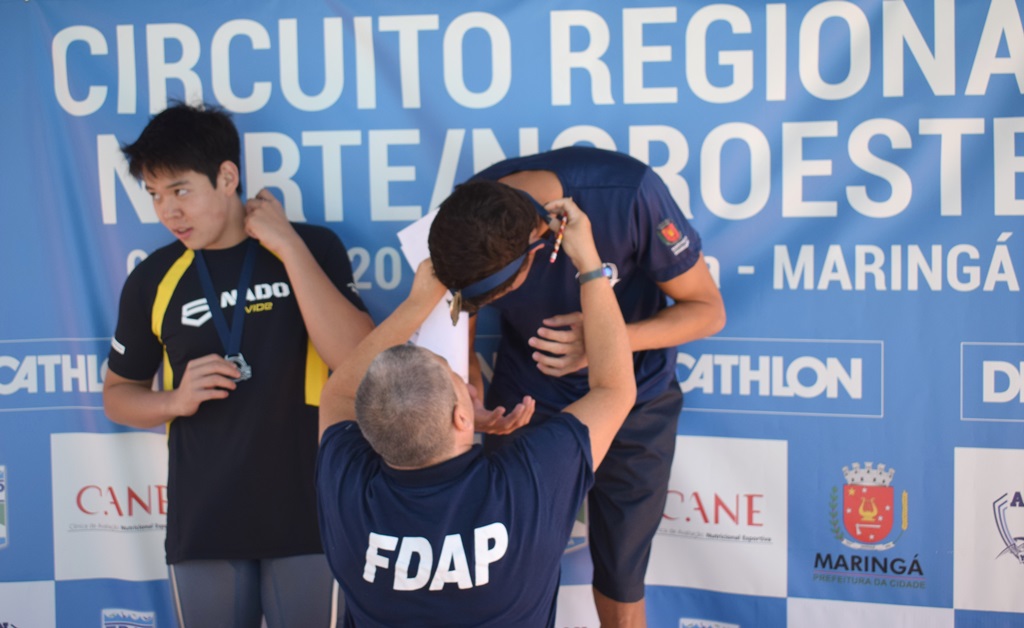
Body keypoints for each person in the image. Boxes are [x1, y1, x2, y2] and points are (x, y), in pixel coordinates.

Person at [427, 146, 726, 626]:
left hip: (636, 399)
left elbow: (708, 311)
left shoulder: (628, 194)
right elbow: (462, 307)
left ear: (540, 242)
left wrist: (606, 340)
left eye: (499, 292)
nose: (491, 303)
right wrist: (469, 383)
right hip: (529, 399)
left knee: (622, 574)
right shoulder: (468, 211)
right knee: (505, 563)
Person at [102, 103, 374, 627]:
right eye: (155, 195)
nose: (168, 212)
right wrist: (174, 400)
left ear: (227, 177)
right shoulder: (153, 279)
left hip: (308, 511)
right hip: (206, 519)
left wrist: (288, 246)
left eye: (180, 191)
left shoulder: (312, 246)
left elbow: (357, 361)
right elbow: (118, 395)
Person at [315, 198, 636, 627]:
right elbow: (615, 388)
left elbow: (338, 395)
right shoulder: (526, 483)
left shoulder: (348, 490)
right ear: (460, 419)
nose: (465, 381)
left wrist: (416, 305)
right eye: (455, 378)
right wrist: (592, 266)